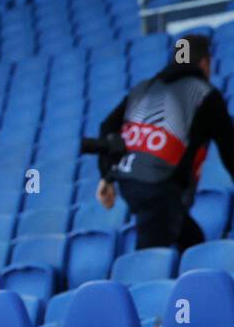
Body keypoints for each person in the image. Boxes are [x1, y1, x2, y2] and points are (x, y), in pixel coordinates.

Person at [96, 33, 234, 250]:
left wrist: (106, 175)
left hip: (129, 181)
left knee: (192, 242)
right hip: (159, 188)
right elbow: (230, 149)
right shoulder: (205, 94)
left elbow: (106, 127)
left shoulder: (145, 87)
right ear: (205, 63)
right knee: (150, 256)